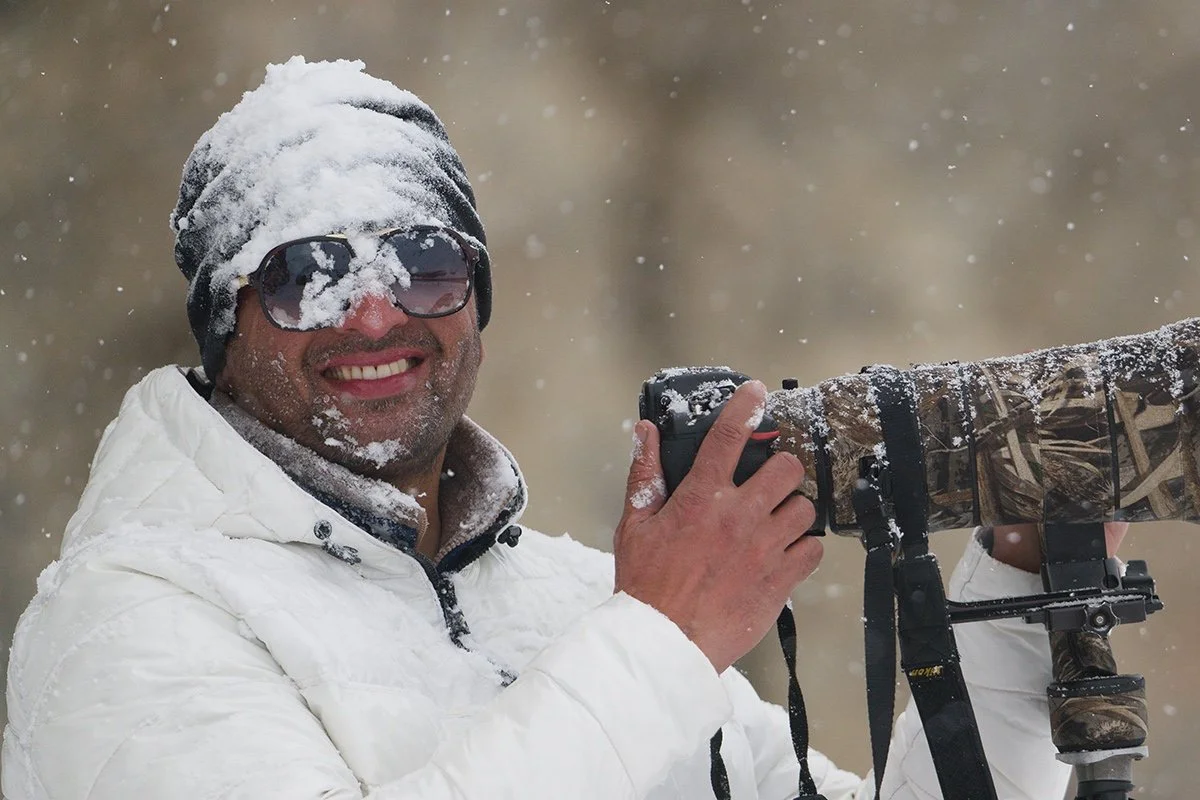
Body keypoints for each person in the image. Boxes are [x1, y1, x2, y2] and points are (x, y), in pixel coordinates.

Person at [2, 57, 1124, 800]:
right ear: (223, 325)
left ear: (478, 304)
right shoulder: (124, 618)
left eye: (425, 261)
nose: (379, 309)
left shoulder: (570, 604)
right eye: (308, 273)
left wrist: (1014, 609)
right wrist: (664, 638)